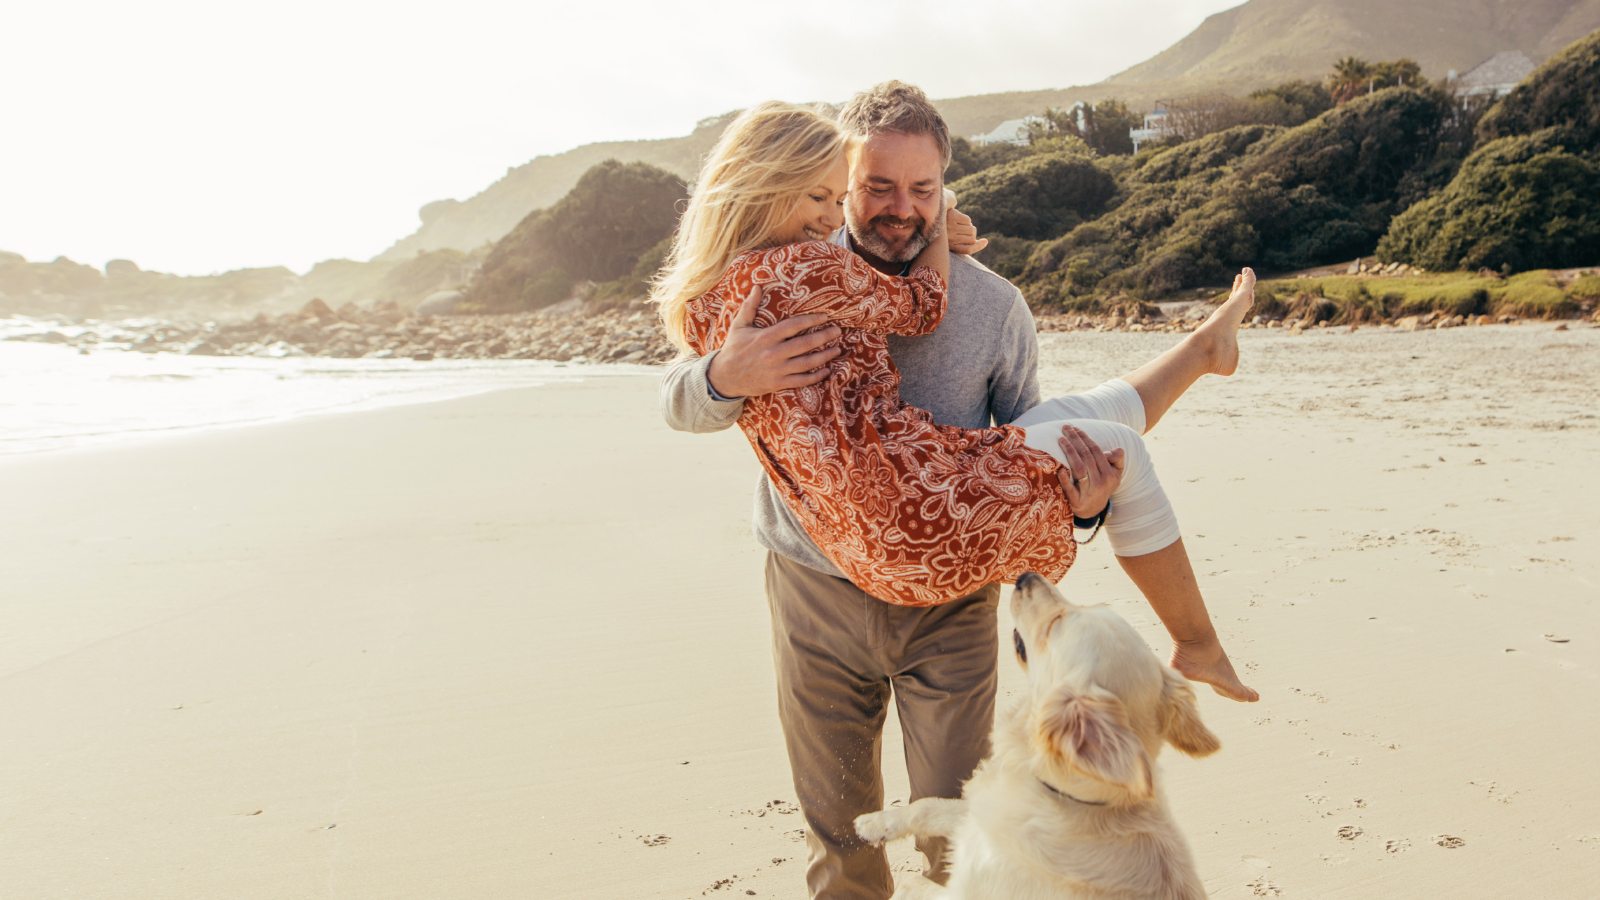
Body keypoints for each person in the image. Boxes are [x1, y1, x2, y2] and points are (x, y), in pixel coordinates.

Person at [659, 82, 1258, 900]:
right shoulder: (796, 265)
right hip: (812, 593)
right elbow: (676, 401)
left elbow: (1028, 435)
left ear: (947, 190)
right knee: (840, 837)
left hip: (950, 605)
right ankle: (1199, 360)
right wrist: (724, 376)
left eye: (925, 191)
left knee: (971, 826)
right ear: (841, 182)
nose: (899, 209)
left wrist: (1086, 508)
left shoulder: (993, 305)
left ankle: (1198, 351)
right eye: (873, 188)